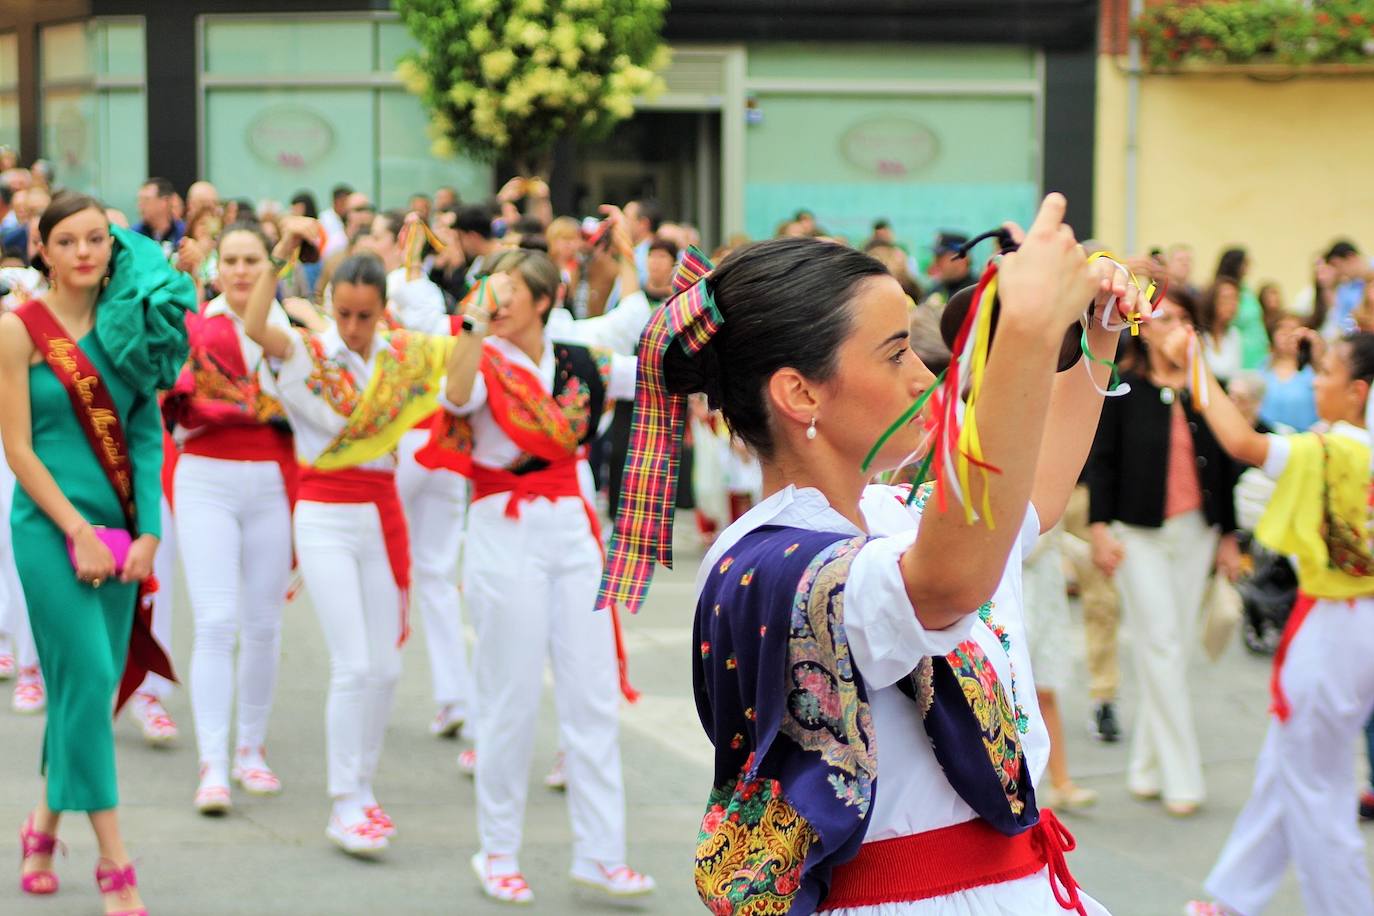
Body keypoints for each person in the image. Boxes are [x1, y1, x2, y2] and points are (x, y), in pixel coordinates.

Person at [606, 194, 1127, 913]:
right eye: (895, 352)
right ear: (799, 393)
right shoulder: (763, 562)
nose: (923, 375)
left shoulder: (890, 512)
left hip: (1019, 885)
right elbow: (946, 583)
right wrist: (1028, 332)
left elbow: (1025, 502)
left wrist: (1098, 334)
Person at [425, 239, 655, 903]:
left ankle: (602, 853)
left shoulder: (580, 358)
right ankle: (497, 850)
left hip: (574, 526)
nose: (497, 299)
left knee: (590, 694)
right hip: (506, 528)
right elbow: (456, 395)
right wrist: (473, 319)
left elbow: (649, 376)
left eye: (509, 291)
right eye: (491, 288)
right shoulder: (480, 354)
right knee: (510, 695)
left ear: (544, 301)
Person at [0, 191, 195, 914]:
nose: (86, 252)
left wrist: (147, 533)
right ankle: (116, 862)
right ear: (42, 251)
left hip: (121, 532)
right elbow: (18, 450)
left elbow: (146, 437)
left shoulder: (128, 328)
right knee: (84, 670)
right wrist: (76, 532)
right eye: (69, 241)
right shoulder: (18, 333)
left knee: (91, 686)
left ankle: (42, 827)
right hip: (50, 532)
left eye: (98, 240)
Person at [243, 216, 455, 856]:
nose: (355, 327)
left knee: (387, 667)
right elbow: (255, 327)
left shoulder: (402, 355)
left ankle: (364, 788)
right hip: (325, 513)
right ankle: (343, 803)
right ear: (332, 304)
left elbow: (461, 355)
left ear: (383, 309)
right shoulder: (310, 350)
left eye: (366, 315)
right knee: (354, 663)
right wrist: (281, 256)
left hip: (382, 514)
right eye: (345, 313)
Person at [1181, 332, 1374, 916]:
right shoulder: (1348, 449)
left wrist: (1194, 361)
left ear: (1357, 390)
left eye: (1329, 372)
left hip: (1334, 631)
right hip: (1351, 625)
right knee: (1286, 767)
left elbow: (1239, 440)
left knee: (1317, 787)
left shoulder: (1332, 451)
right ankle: (1234, 899)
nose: (1317, 381)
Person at [1088, 289, 1241, 817]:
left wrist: (1229, 536)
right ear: (1143, 329)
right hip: (1139, 532)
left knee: (1170, 647)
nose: (1175, 327)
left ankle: (1146, 767)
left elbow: (1226, 461)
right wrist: (1099, 529)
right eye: (1164, 319)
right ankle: (1184, 776)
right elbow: (1101, 461)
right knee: (1162, 645)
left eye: (1182, 319)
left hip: (1196, 529)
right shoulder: (1124, 387)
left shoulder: (1204, 388)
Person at [162, 222, 298, 815]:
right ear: (218, 268)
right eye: (233, 261)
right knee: (217, 620)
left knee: (264, 624)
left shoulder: (293, 329)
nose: (242, 271)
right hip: (206, 478)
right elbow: (170, 402)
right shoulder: (193, 324)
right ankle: (213, 763)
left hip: (272, 480)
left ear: (268, 267)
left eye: (253, 260)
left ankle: (250, 750)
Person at [365, 209, 475, 738]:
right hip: (444, 447)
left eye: (383, 237)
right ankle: (454, 696)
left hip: (409, 445)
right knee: (434, 574)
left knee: (389, 565)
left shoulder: (384, 298)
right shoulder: (430, 300)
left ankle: (375, 684)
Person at [1259, 315, 1320, 432]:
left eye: (1293, 329)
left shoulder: (1312, 369)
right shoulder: (1262, 368)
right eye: (1281, 328)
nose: (1286, 334)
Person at [1214, 247, 1269, 370]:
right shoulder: (1224, 291)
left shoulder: (1246, 290)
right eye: (1245, 264)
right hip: (1241, 354)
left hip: (1259, 352)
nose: (1248, 268)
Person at [1200, 277, 1245, 384]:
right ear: (1212, 300)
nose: (1232, 304)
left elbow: (1235, 375)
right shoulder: (1199, 335)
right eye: (1226, 298)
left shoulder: (1235, 335)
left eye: (1236, 299)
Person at [133, 177, 186, 250]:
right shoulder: (134, 235)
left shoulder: (184, 234)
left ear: (165, 202)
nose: (140, 205)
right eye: (139, 200)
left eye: (146, 200)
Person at [925, 230, 976, 303]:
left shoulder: (977, 291)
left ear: (961, 258)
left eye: (940, 257)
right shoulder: (935, 290)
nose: (935, 263)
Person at [319, 184, 352, 259]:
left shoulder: (349, 218)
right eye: (345, 202)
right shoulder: (324, 219)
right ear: (336, 202)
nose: (347, 206)